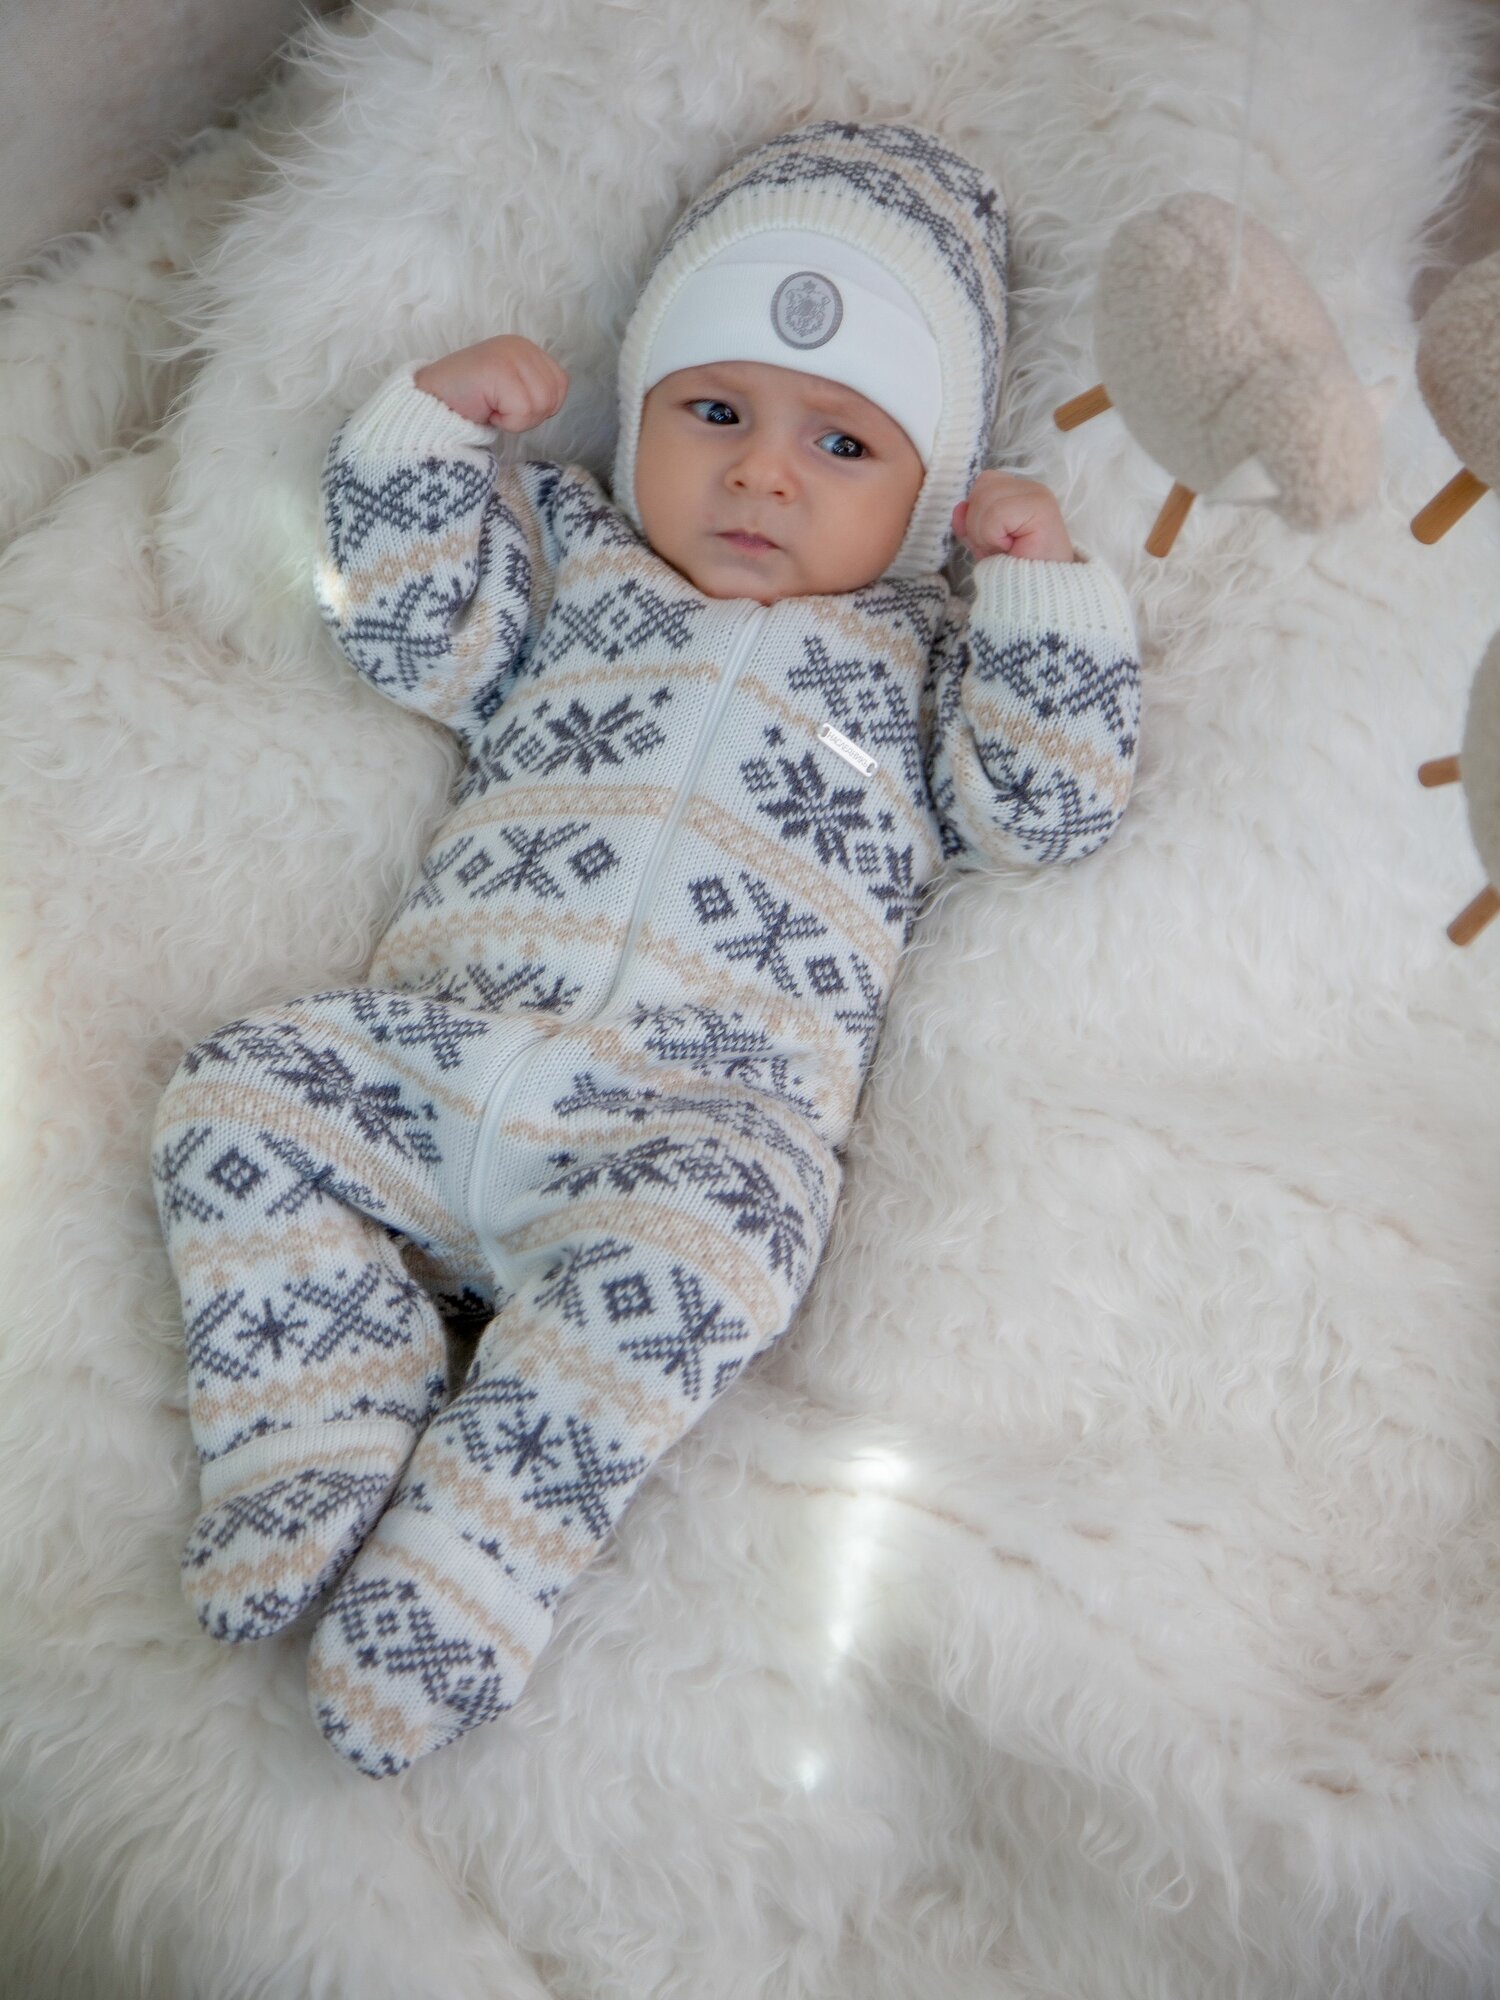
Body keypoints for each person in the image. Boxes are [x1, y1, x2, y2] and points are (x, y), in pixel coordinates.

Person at [150, 118, 1142, 1777]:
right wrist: (429, 431)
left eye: (843, 443)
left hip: (689, 1131)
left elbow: (1050, 809)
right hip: (447, 1052)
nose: (761, 474)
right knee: (236, 1094)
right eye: (715, 411)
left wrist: (1043, 592)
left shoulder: (919, 661)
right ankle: (320, 1408)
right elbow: (400, 623)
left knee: (717, 1248)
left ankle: (487, 1535)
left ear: (931, 495)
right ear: (643, 412)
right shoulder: (576, 564)